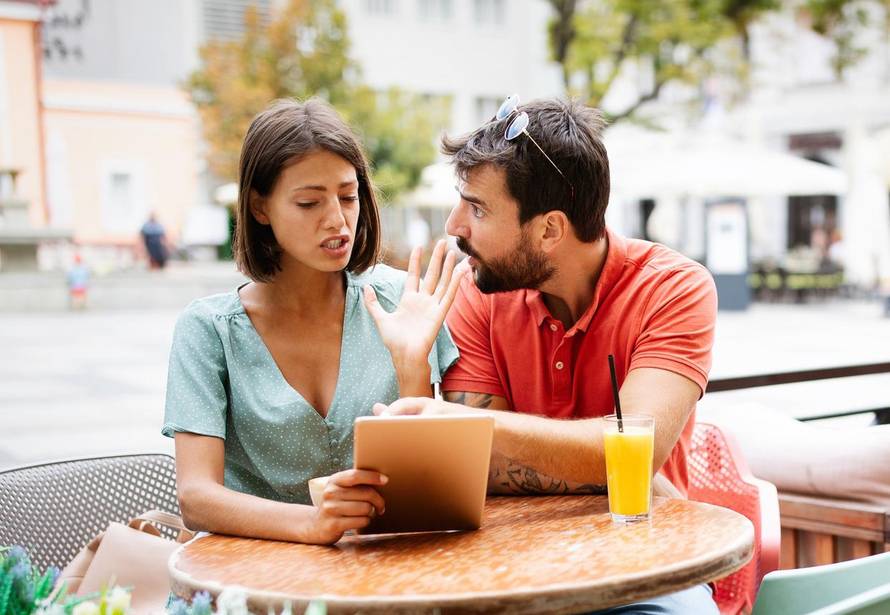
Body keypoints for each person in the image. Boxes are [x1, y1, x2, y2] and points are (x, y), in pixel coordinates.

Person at [374, 97, 718, 614]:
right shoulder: (480, 291)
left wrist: (477, 427)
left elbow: (631, 455)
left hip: (646, 563)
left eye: (478, 208)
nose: (454, 225)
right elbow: (472, 472)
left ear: (550, 230)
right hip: (508, 561)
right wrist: (415, 372)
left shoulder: (674, 289)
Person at [162, 98, 463, 545]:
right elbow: (197, 497)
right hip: (254, 579)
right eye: (308, 203)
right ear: (260, 208)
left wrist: (411, 366)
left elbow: (431, 483)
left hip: (384, 568)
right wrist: (312, 523)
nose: (338, 220)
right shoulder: (209, 330)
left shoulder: (402, 300)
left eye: (348, 195)